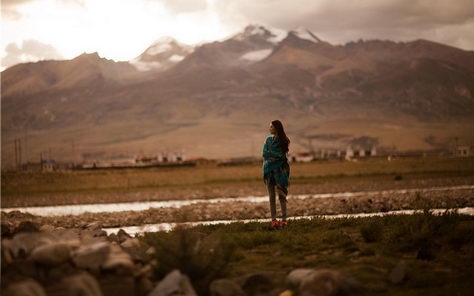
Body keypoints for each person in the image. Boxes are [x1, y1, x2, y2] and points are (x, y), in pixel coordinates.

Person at [262, 120, 290, 228]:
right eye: (269, 127)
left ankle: (284, 220)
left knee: (282, 196)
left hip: (281, 172)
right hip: (268, 171)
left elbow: (280, 156)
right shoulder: (268, 140)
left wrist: (271, 155)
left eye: (271, 127)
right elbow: (264, 153)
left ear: (277, 128)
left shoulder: (284, 140)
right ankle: (273, 220)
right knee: (271, 196)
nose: (269, 129)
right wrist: (274, 156)